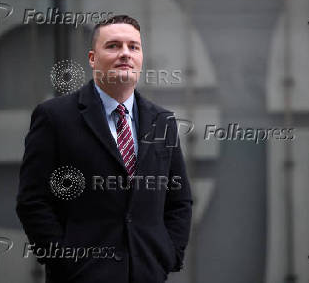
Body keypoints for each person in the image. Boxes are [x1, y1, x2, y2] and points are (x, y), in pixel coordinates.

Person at [16, 15, 193, 283]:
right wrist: (63, 261)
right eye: (113, 46)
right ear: (92, 58)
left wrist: (168, 255)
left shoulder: (163, 121)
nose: (125, 54)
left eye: (133, 47)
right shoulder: (55, 117)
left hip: (148, 274)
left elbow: (179, 201)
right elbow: (32, 201)